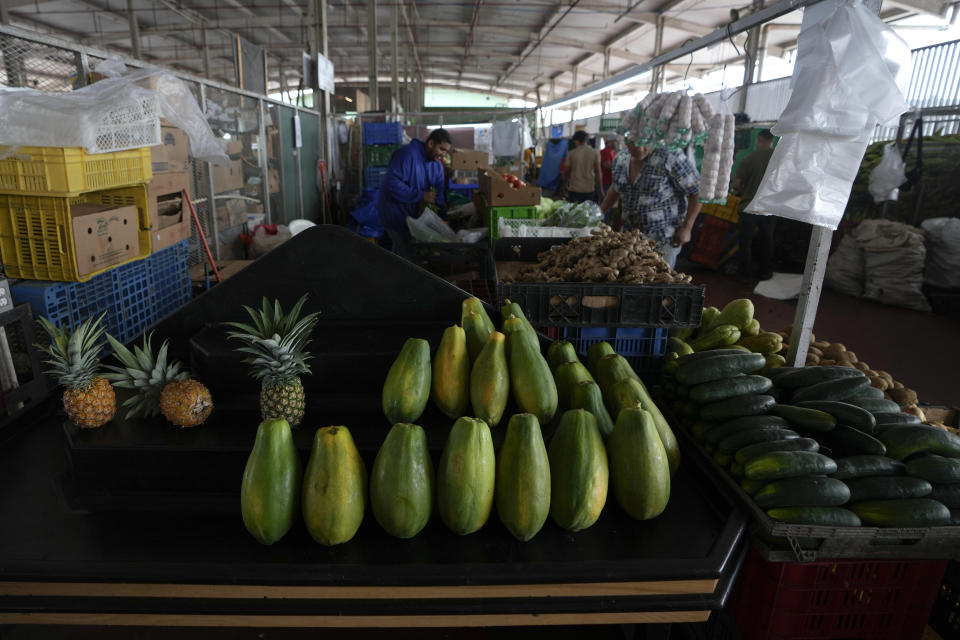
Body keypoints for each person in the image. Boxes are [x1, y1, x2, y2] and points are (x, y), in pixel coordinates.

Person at [599, 139, 701, 269]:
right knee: (630, 280)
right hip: (629, 238)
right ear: (625, 140)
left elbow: (696, 191)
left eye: (645, 142)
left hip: (663, 239)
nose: (640, 148)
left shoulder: (671, 156)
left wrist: (687, 227)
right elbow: (616, 188)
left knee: (658, 284)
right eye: (633, 142)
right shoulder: (620, 159)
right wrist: (600, 212)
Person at [378, 128, 452, 258]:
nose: (443, 155)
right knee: (404, 254)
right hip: (396, 214)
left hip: (412, 216)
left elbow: (438, 194)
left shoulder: (437, 166)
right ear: (430, 144)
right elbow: (391, 184)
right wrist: (421, 195)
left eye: (446, 151)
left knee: (405, 253)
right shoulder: (407, 155)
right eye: (441, 149)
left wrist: (443, 218)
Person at [734, 129, 776, 281]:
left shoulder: (748, 159)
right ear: (772, 140)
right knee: (767, 240)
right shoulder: (778, 159)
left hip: (749, 206)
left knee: (746, 242)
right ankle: (764, 272)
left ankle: (745, 275)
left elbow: (737, 184)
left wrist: (747, 191)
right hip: (769, 207)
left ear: (758, 140)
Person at [563, 130, 602, 203]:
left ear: (576, 141)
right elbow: (598, 172)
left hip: (574, 189)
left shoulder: (571, 153)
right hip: (589, 189)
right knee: (586, 212)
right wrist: (601, 189)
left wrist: (564, 185)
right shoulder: (595, 153)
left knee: (574, 212)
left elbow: (566, 171)